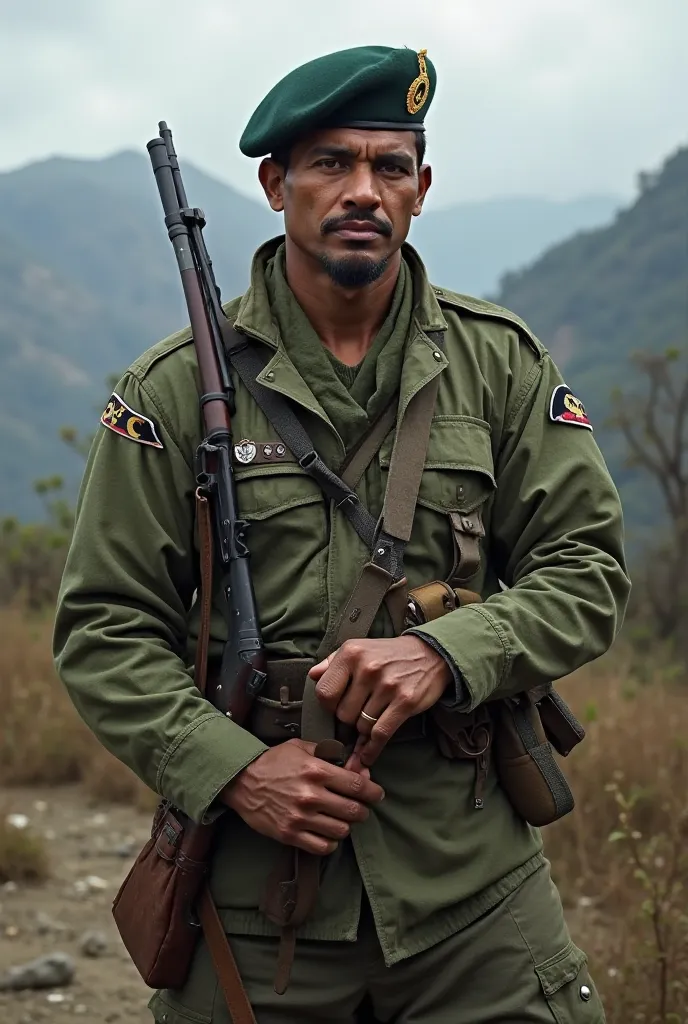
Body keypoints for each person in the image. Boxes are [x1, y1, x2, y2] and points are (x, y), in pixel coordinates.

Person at [53, 44, 629, 1023]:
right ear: (276, 184)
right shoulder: (176, 390)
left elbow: (587, 569)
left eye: (389, 166)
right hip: (253, 882)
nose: (363, 190)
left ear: (421, 189)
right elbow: (104, 626)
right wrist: (234, 771)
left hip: (469, 881)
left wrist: (446, 652)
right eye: (330, 163)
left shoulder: (498, 366)